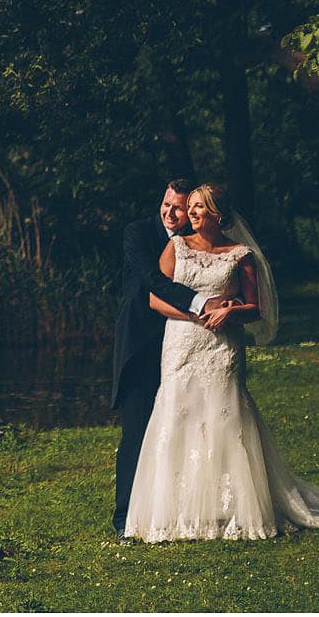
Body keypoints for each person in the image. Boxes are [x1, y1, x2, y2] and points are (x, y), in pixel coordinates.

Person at [122, 182, 319, 540]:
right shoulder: (176, 247)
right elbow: (155, 300)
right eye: (190, 207)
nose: (191, 214)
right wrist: (197, 315)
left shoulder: (240, 255)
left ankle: (236, 508)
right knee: (177, 415)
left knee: (225, 417)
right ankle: (177, 511)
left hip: (223, 348)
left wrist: (231, 314)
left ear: (218, 214)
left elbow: (254, 308)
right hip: (182, 343)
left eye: (199, 207)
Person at [111, 177, 212, 536]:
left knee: (183, 429)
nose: (170, 213)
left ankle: (176, 510)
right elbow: (152, 280)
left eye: (179, 208)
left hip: (183, 346)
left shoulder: (199, 243)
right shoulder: (137, 233)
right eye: (166, 204)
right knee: (136, 432)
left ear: (192, 212)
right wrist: (202, 305)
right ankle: (124, 519)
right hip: (142, 345)